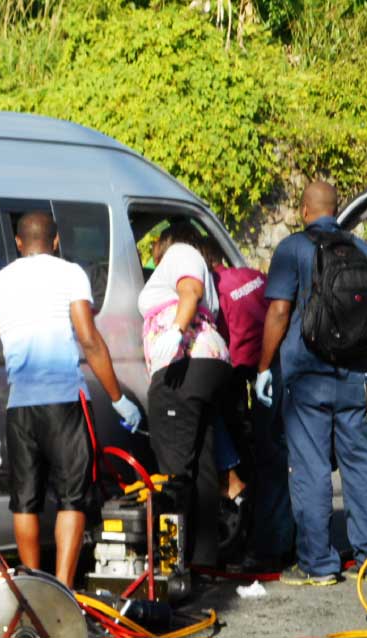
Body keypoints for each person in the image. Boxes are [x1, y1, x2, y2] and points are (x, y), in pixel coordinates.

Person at [0, 211, 142, 588]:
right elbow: (89, 339)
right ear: (56, 240)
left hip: (21, 408)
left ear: (18, 243)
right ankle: (62, 588)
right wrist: (118, 398)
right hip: (66, 402)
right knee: (72, 499)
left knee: (24, 501)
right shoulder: (71, 274)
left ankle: (33, 588)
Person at [257, 180, 367, 585]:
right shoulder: (362, 251)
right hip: (354, 376)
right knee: (359, 465)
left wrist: (263, 367)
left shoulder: (293, 249)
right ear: (336, 209)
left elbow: (278, 313)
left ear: (305, 210)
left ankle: (319, 563)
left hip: (306, 377)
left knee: (312, 466)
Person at [138, 220, 231, 567]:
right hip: (207, 366)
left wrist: (174, 333)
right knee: (202, 465)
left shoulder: (181, 253)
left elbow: (189, 291)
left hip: (183, 366)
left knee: (173, 473)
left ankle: (169, 565)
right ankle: (203, 562)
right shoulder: (200, 265)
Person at [201, 236, 295, 569]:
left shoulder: (214, 290)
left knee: (267, 457)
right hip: (279, 364)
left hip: (253, 369)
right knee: (277, 453)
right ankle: (283, 535)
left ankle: (271, 545)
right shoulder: (250, 274)